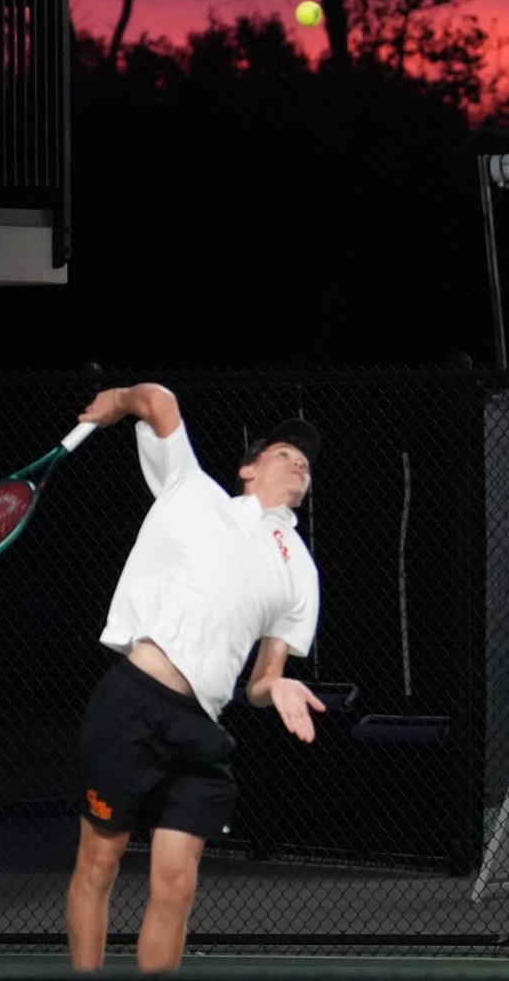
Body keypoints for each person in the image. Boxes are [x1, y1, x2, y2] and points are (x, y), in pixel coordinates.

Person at [65, 382, 326, 974]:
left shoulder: (300, 573)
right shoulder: (192, 491)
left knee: (177, 886)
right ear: (248, 469)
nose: (298, 460)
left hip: (198, 728)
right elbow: (158, 400)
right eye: (284, 450)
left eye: (306, 460)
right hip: (131, 704)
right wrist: (119, 401)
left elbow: (263, 680)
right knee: (98, 865)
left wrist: (276, 686)